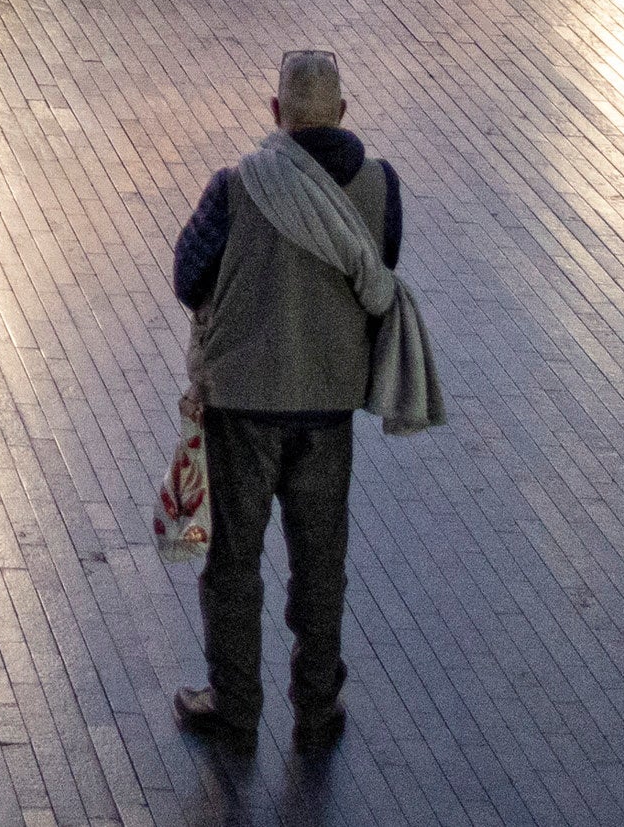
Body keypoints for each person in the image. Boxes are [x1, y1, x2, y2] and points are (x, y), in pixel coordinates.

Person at [170, 51, 413, 755]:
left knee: (235, 560)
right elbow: (384, 266)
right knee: (320, 559)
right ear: (342, 111)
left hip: (242, 406)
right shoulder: (379, 187)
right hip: (327, 407)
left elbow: (189, 274)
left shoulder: (237, 184)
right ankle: (316, 704)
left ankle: (235, 703)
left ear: (276, 112)